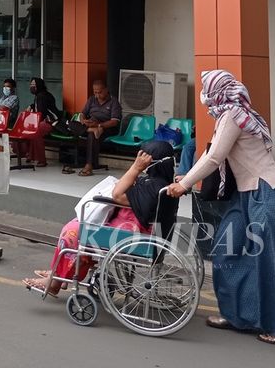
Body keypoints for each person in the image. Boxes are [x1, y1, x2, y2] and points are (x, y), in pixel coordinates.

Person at [169, 69, 275, 346]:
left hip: (266, 194)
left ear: (216, 91)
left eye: (206, 88)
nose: (203, 95)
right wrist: (185, 178)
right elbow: (217, 159)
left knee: (274, 263)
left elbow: (214, 157)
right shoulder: (232, 114)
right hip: (247, 197)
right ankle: (239, 315)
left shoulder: (233, 115)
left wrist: (184, 184)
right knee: (227, 251)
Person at [22, 140, 176, 295]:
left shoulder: (151, 187)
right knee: (79, 229)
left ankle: (55, 281)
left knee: (72, 232)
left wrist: (135, 168)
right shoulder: (161, 183)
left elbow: (117, 194)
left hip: (131, 235)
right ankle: (59, 275)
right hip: (139, 232)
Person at [66, 80, 123, 176]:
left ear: (106, 90)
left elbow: (114, 122)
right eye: (95, 92)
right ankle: (90, 129)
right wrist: (84, 121)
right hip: (92, 125)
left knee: (91, 135)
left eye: (99, 92)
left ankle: (89, 165)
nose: (97, 95)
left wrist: (99, 125)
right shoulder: (92, 99)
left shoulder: (114, 102)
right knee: (69, 123)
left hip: (106, 127)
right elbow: (82, 114)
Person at [18, 77, 60, 167]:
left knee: (36, 131)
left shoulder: (42, 96)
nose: (31, 87)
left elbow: (42, 113)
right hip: (45, 121)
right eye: (31, 85)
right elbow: (38, 106)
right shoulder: (40, 95)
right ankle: (30, 155)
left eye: (34, 85)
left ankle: (41, 160)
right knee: (31, 129)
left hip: (51, 122)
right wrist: (31, 106)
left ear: (39, 85)